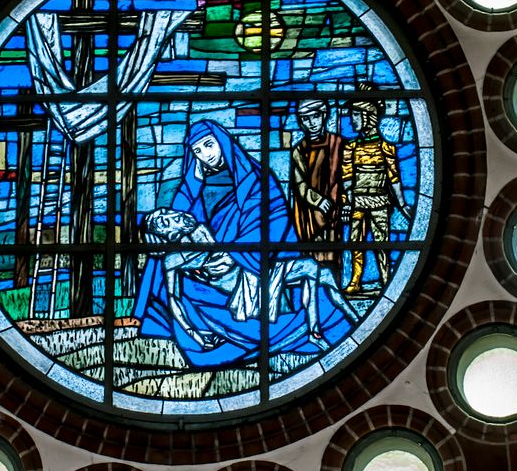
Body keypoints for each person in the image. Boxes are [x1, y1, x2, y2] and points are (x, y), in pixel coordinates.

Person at [132, 120, 353, 367]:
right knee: (160, 262)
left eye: (209, 145)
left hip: (250, 262)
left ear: (223, 142)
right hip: (211, 274)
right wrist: (192, 185)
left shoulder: (256, 179)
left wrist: (233, 254)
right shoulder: (193, 187)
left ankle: (311, 330)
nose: (206, 155)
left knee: (314, 279)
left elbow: (273, 221)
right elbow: (178, 223)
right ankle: (157, 322)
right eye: (197, 151)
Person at [143, 208, 356, 350]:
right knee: (310, 267)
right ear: (166, 235)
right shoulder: (172, 259)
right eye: (164, 221)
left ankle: (350, 321)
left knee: (324, 274)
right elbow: (174, 299)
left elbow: (230, 248)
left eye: (166, 212)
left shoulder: (200, 229)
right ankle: (315, 332)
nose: (171, 215)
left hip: (250, 268)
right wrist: (196, 336)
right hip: (242, 284)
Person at [340, 96, 412, 294]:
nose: (352, 120)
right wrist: (347, 202)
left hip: (379, 201)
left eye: (356, 115)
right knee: (356, 243)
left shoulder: (385, 147)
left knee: (382, 243)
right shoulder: (350, 147)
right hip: (357, 201)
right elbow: (347, 178)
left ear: (369, 117)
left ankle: (386, 279)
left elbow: (394, 178)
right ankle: (356, 280)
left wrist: (402, 204)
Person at [289, 99, 344, 280]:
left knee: (332, 255)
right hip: (309, 212)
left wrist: (340, 201)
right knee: (312, 259)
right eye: (305, 118)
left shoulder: (337, 143)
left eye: (315, 116)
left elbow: (345, 177)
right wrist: (318, 201)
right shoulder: (299, 150)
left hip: (334, 208)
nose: (311, 122)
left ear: (324, 115)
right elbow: (300, 185)